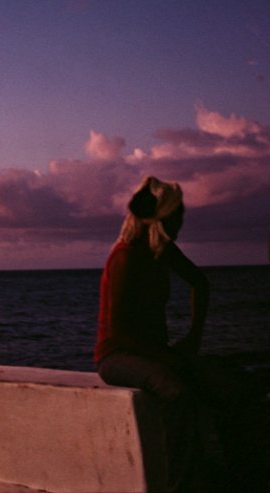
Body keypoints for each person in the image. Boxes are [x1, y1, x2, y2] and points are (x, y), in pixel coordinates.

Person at [94, 176, 213, 491]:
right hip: (116, 356)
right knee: (176, 393)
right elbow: (118, 334)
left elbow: (200, 284)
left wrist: (193, 339)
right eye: (178, 213)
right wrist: (169, 357)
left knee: (220, 382)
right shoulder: (126, 257)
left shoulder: (162, 252)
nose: (182, 220)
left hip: (152, 353)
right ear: (163, 217)